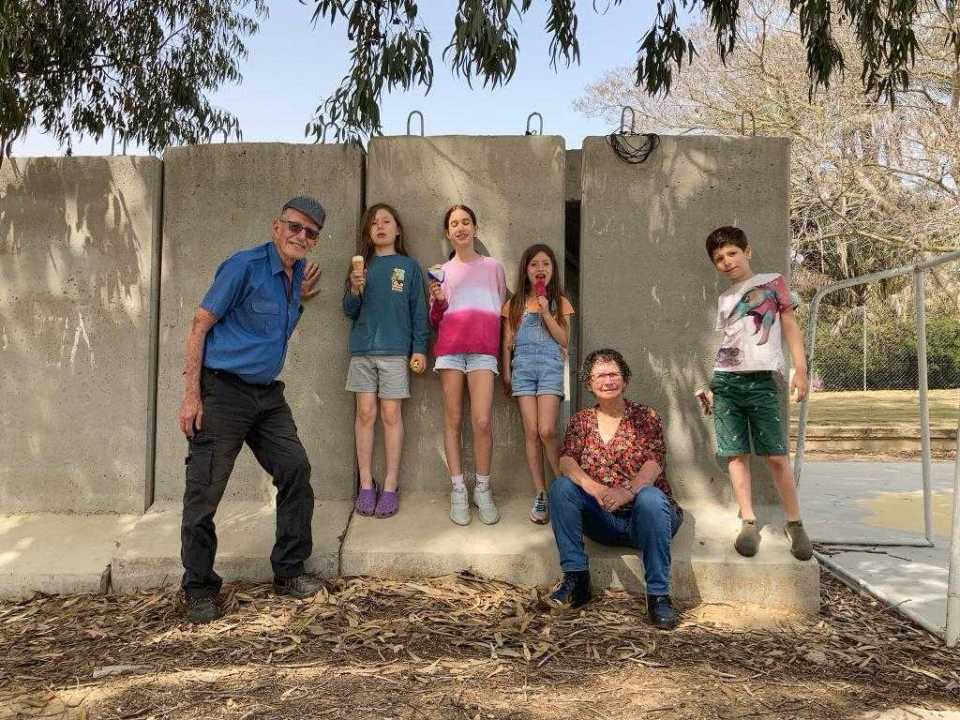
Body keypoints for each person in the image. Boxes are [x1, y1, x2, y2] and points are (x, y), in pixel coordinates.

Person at [177, 196, 326, 624]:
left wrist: (299, 296)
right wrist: (192, 395)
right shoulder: (243, 266)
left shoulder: (295, 275)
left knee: (295, 469)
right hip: (222, 392)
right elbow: (199, 324)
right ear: (277, 226)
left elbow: (276, 327)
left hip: (267, 397)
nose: (301, 236)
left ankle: (290, 571)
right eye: (294, 227)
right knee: (204, 493)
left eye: (310, 233)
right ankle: (199, 588)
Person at [695, 225, 813, 561]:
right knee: (736, 454)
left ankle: (795, 522)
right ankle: (748, 520)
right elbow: (730, 343)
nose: (727, 261)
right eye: (719, 258)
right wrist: (714, 389)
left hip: (762, 381)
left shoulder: (773, 282)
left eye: (732, 253)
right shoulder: (725, 299)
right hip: (726, 381)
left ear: (747, 251)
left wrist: (801, 370)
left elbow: (788, 325)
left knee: (775, 456)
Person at [546, 349, 683, 630]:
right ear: (589, 383)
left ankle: (658, 595)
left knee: (651, 497)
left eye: (614, 374)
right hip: (605, 519)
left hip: (648, 518)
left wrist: (626, 492)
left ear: (625, 379)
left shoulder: (645, 416)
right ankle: (577, 580)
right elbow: (566, 460)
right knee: (561, 488)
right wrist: (594, 488)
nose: (608, 381)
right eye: (600, 376)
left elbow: (654, 464)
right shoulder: (582, 421)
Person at [343, 203, 429, 518]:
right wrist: (355, 290)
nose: (380, 226)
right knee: (365, 414)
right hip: (362, 350)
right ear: (368, 232)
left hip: (395, 353)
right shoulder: (359, 267)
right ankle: (367, 484)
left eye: (386, 221)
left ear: (397, 229)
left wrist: (419, 348)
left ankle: (390, 485)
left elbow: (420, 311)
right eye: (374, 222)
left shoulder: (408, 267)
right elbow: (349, 311)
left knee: (391, 415)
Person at [428, 205, 507, 526]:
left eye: (465, 222)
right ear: (447, 233)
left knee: (482, 420)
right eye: (453, 224)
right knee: (453, 419)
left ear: (475, 227)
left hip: (483, 352)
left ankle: (482, 489)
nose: (460, 227)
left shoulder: (494, 267)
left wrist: (503, 355)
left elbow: (501, 312)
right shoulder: (440, 271)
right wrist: (439, 302)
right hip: (449, 350)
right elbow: (434, 320)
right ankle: (458, 489)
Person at [501, 243, 575, 524]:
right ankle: (541, 494)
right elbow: (508, 342)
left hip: (549, 369)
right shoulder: (514, 304)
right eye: (534, 264)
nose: (540, 269)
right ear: (526, 270)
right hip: (522, 370)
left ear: (553, 270)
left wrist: (545, 313)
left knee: (546, 430)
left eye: (545, 264)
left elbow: (565, 340)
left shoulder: (559, 302)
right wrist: (507, 373)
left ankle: (563, 490)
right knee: (530, 432)